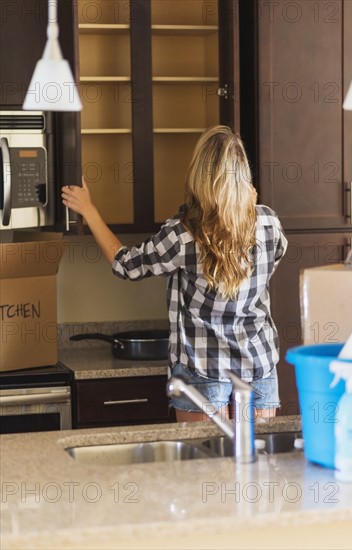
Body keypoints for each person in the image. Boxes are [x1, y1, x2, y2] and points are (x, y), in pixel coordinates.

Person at [62, 125, 288, 423]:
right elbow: (273, 257)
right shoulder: (269, 222)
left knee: (202, 468)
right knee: (256, 466)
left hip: (202, 373)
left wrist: (89, 211)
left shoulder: (183, 234)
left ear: (198, 175)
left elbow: (126, 265)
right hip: (259, 367)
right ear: (244, 174)